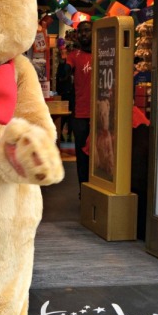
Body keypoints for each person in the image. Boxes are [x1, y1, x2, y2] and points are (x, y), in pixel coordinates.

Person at [67, 19, 93, 191]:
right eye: (81, 31)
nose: (84, 34)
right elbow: (64, 74)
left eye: (87, 30)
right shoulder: (73, 56)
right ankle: (83, 190)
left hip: (102, 113)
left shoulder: (104, 54)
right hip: (81, 113)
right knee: (82, 155)